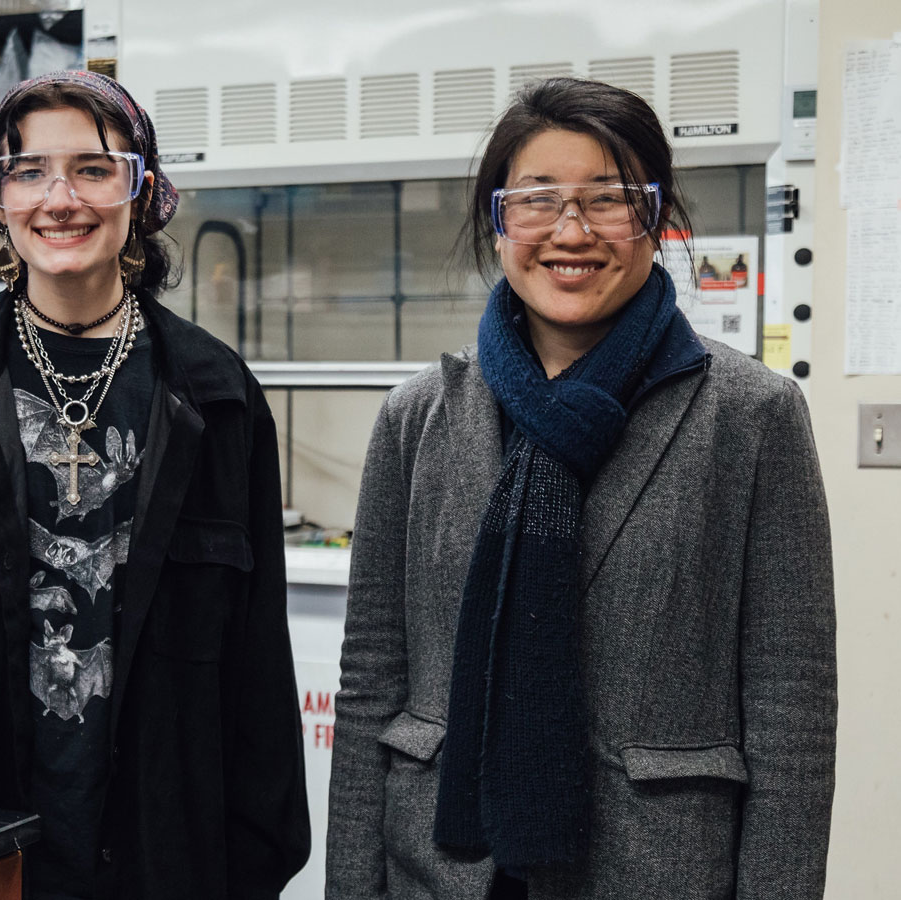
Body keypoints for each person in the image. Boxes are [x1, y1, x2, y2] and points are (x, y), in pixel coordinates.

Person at [326, 77, 835, 899]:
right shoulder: (418, 417)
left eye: (609, 200)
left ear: (658, 218)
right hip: (445, 867)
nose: (571, 231)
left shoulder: (749, 415)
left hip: (656, 868)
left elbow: (792, 704)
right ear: (498, 223)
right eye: (537, 200)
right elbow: (372, 680)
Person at [0, 70, 310, 900]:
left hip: (164, 844)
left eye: (94, 169)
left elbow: (257, 663)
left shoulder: (216, 393)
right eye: (27, 172)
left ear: (143, 192)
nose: (60, 199)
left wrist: (260, 856)